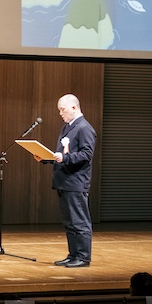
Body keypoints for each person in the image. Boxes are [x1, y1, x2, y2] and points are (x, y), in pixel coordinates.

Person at [34, 94, 96, 268]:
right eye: (59, 110)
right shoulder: (67, 127)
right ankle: (73, 254)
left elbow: (86, 154)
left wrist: (64, 158)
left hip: (75, 182)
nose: (60, 113)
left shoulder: (84, 128)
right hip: (64, 181)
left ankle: (83, 257)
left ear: (74, 108)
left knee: (79, 221)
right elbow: (62, 154)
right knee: (69, 222)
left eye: (63, 109)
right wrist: (46, 158)